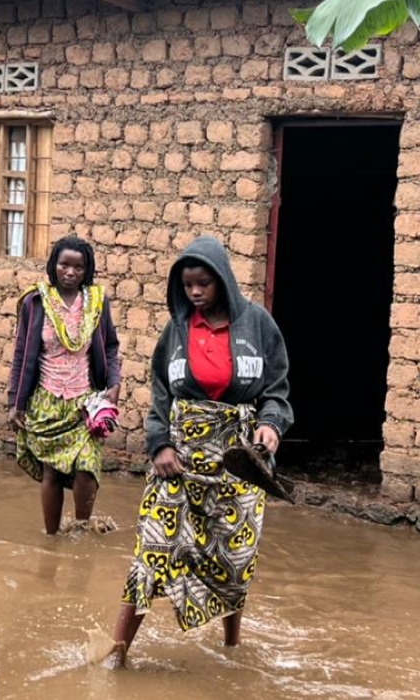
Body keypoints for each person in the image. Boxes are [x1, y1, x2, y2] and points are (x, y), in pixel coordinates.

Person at [104, 235, 293, 668]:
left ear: (223, 280)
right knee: (152, 552)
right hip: (179, 464)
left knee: (234, 557)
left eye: (204, 283)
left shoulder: (258, 326)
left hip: (239, 465)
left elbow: (277, 392)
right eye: (188, 285)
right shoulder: (176, 331)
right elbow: (159, 397)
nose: (195, 293)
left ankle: (231, 647)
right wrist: (160, 445)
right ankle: (117, 652)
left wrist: (270, 426)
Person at [8, 236, 122, 535]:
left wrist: (114, 383)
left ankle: (81, 533)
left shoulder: (97, 303)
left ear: (88, 270)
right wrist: (15, 403)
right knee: (52, 472)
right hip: (46, 400)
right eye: (64, 265)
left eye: (79, 267)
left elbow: (110, 346)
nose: (70, 272)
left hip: (84, 402)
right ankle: (52, 539)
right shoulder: (35, 302)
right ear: (53, 266)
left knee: (87, 468)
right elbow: (22, 353)